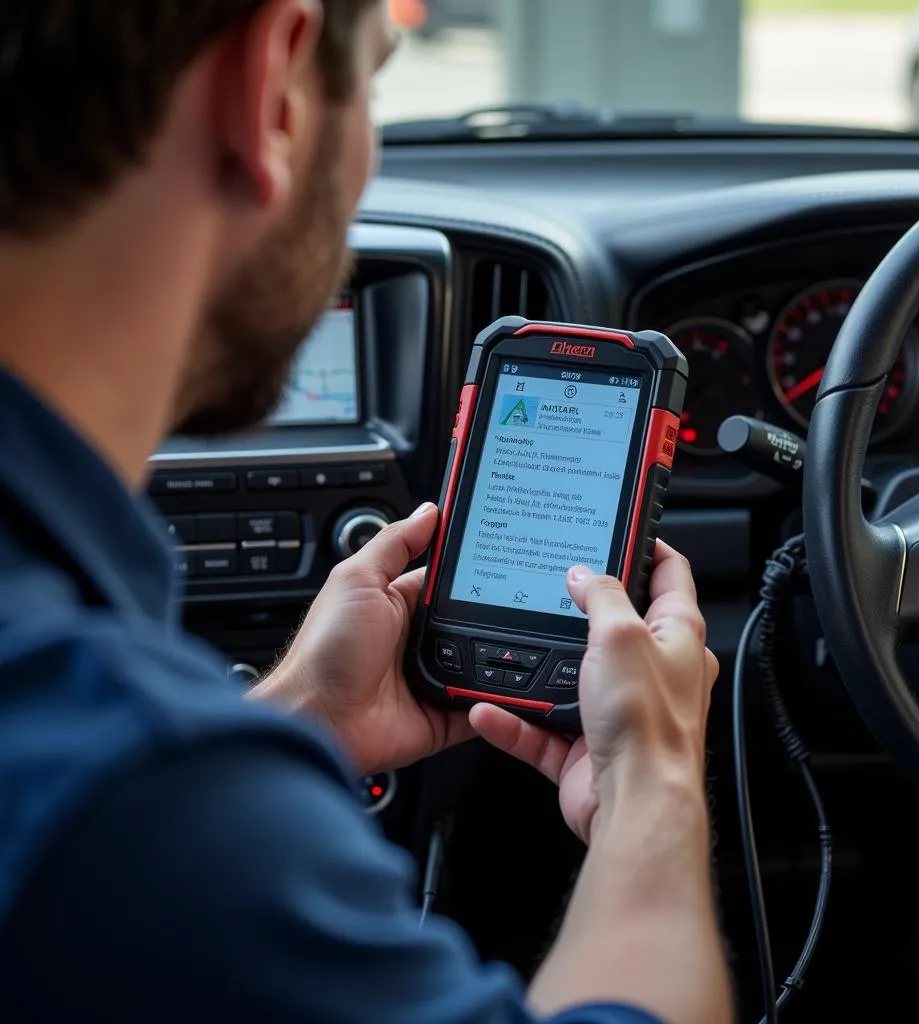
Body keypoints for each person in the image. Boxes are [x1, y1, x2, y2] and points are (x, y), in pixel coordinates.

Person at [0, 2, 731, 1022]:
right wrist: (653, 783)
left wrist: (300, 717)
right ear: (273, 93)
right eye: (375, 85)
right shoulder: (134, 801)